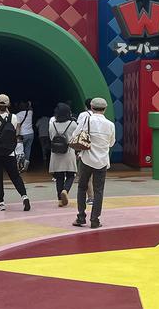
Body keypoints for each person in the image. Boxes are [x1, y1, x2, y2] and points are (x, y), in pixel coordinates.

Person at [72, 97, 115, 229]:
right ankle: (95, 220)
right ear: (105, 109)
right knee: (99, 191)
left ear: (91, 107)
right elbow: (111, 143)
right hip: (102, 161)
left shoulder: (86, 119)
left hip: (86, 159)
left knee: (82, 188)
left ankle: (81, 217)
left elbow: (75, 134)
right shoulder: (110, 125)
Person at [0, 94, 32, 212]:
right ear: (8, 105)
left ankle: (1, 203)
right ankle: (24, 197)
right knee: (15, 176)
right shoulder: (14, 117)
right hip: (9, 152)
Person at [49, 103, 78, 207]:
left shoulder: (52, 124)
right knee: (71, 174)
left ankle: (60, 200)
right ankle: (65, 190)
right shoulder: (73, 124)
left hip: (56, 153)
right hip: (69, 152)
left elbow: (51, 137)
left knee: (59, 177)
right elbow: (76, 137)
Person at [14, 101, 34, 172]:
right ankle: (26, 166)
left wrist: (17, 136)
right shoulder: (30, 113)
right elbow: (31, 108)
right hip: (31, 133)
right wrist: (30, 104)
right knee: (28, 149)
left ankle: (21, 165)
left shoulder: (17, 115)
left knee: (20, 151)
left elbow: (18, 126)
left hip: (22, 134)